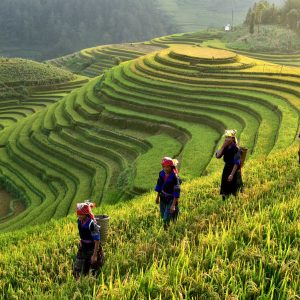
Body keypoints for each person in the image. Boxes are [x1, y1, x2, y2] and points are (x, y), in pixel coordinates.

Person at [73, 201, 104, 278]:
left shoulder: (92, 224)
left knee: (93, 271)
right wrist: (81, 240)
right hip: (83, 246)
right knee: (78, 269)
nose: (79, 216)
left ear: (86, 214)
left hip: (92, 248)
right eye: (78, 214)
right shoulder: (79, 221)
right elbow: (82, 233)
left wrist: (94, 255)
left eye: (81, 214)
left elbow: (97, 240)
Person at [216, 130, 243, 200]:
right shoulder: (225, 147)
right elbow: (218, 156)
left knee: (234, 190)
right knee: (225, 189)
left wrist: (231, 174)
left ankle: (234, 204)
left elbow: (237, 162)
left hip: (234, 170)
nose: (227, 139)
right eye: (226, 137)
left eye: (229, 137)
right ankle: (224, 202)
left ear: (233, 138)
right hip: (226, 169)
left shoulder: (236, 149)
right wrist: (223, 146)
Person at [155, 157, 181, 230]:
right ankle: (175, 217)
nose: (166, 169)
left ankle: (166, 230)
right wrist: (157, 197)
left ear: (171, 167)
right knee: (163, 215)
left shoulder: (174, 178)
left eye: (167, 167)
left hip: (171, 199)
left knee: (166, 218)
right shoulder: (161, 174)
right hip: (163, 197)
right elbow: (159, 185)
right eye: (164, 167)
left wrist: (173, 205)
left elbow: (176, 191)